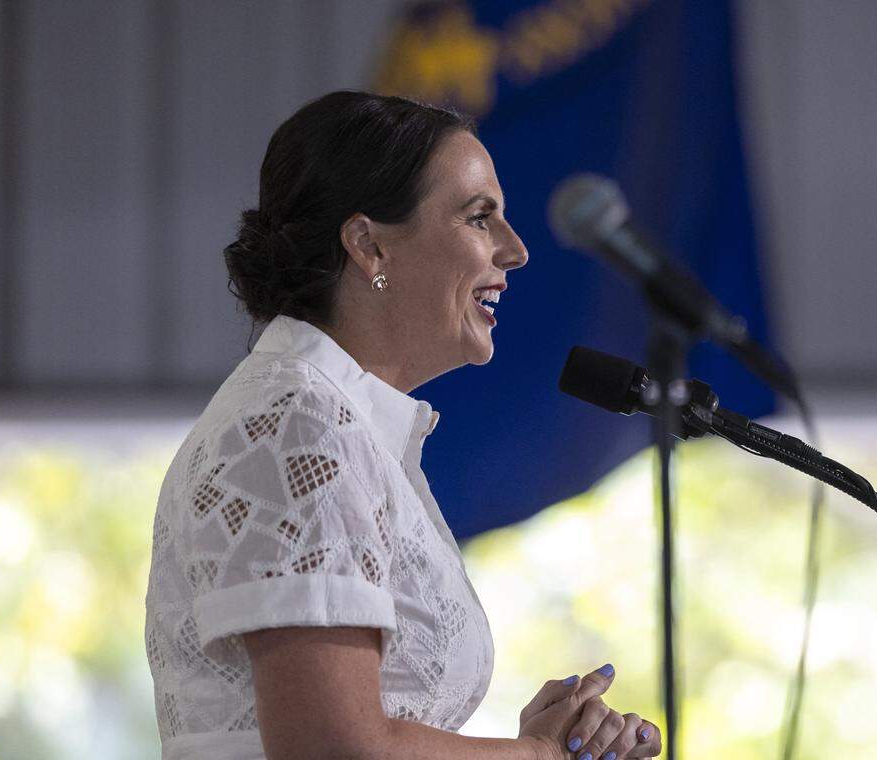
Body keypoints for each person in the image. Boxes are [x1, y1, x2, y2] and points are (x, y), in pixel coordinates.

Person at [144, 89, 663, 760]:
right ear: (369, 246)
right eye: (480, 218)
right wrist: (539, 757)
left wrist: (537, 746)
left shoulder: (340, 423)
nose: (516, 250)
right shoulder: (299, 425)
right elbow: (334, 749)